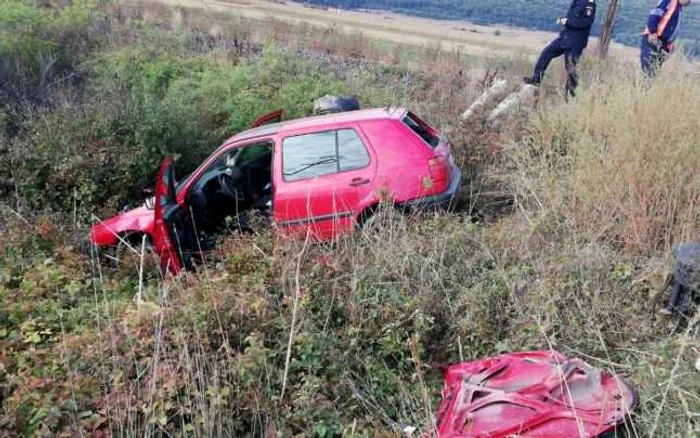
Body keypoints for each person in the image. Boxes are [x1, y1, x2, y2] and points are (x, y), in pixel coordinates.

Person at [524, 0, 597, 98]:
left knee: (571, 69)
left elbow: (585, 23)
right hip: (564, 38)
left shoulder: (589, 4)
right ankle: (536, 80)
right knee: (547, 52)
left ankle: (570, 96)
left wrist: (567, 22)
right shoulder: (577, 1)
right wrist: (564, 21)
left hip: (575, 43)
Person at [641, 0, 692, 77]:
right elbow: (655, 13)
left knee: (655, 70)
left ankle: (647, 87)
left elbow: (671, 27)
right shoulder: (669, 2)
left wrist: (670, 42)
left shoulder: (678, 8)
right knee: (648, 69)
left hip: (663, 42)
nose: (689, 2)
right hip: (654, 38)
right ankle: (642, 87)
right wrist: (652, 31)